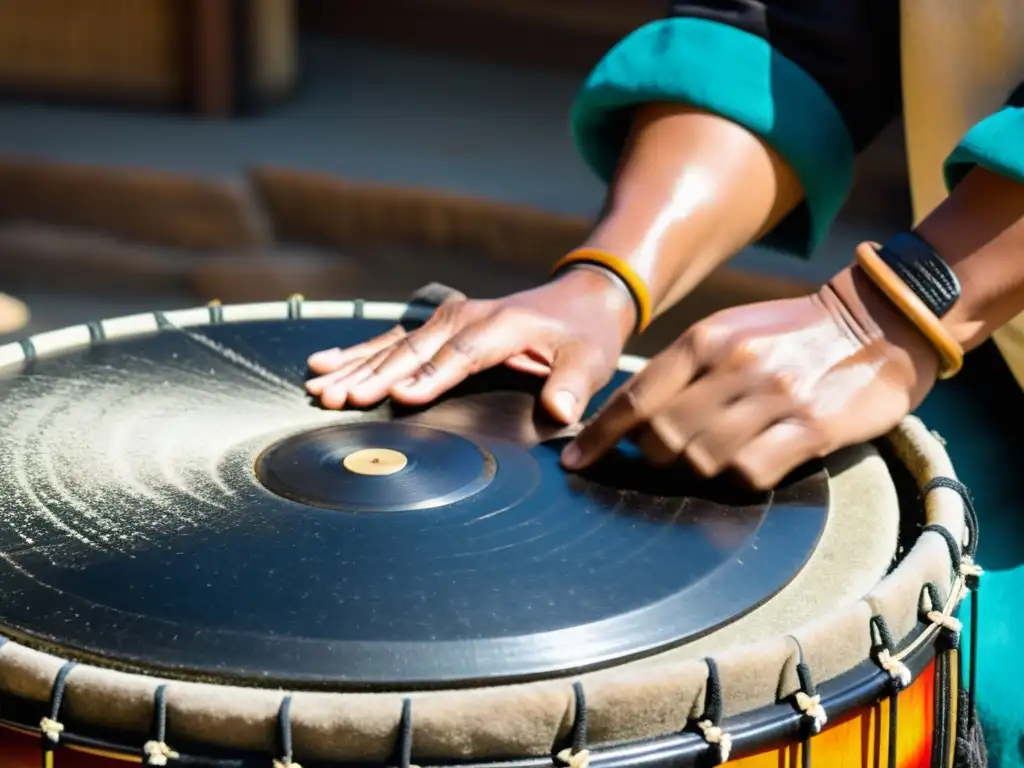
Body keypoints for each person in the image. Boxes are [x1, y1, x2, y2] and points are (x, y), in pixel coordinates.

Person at [306, 2, 1024, 765]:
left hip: (961, 329)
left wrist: (884, 315)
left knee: (967, 687)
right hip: (990, 367)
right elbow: (794, 29)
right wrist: (607, 279)